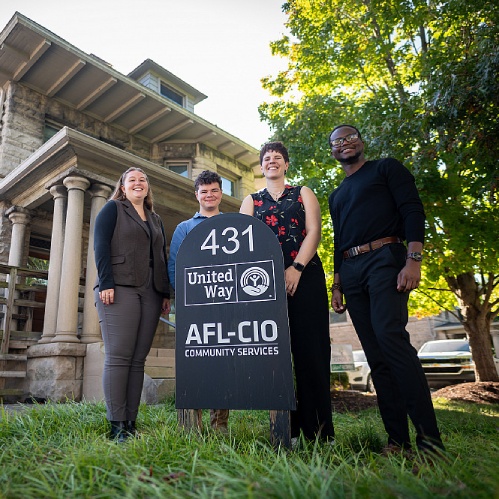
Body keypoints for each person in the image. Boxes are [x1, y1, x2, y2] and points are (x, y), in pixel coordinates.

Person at [327, 124, 444, 454]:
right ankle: (398, 440)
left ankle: (430, 443)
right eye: (338, 142)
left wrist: (414, 259)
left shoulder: (386, 168)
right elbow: (340, 240)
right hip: (351, 271)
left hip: (386, 258)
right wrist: (336, 285)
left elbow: (412, 209)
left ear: (362, 142)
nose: (345, 143)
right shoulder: (336, 195)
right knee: (376, 357)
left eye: (350, 137)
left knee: (391, 339)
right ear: (333, 151)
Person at [240, 142, 335, 445]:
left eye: (277, 158)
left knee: (312, 353)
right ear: (261, 165)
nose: (272, 162)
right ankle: (287, 432)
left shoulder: (302, 192)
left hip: (305, 275)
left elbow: (315, 231)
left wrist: (296, 267)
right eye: (267, 159)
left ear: (286, 164)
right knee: (277, 357)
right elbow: (244, 244)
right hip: (265, 286)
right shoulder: (251, 201)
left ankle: (320, 432)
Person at [94, 167, 171, 442]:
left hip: (150, 291)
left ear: (147, 188)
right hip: (118, 288)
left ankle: (130, 422)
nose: (138, 184)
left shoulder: (156, 219)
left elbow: (160, 257)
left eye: (143, 180)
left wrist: (165, 293)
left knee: (138, 360)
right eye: (132, 180)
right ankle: (116, 425)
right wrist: (106, 283)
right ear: (123, 187)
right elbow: (100, 245)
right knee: (119, 357)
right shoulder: (113, 209)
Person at [168, 170, 230, 432]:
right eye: (204, 191)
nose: (209, 195)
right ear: (197, 195)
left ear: (221, 193)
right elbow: (174, 266)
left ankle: (220, 424)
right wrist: (185, 299)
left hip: (225, 305)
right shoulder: (184, 228)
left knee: (222, 362)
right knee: (194, 361)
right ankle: (192, 424)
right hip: (194, 306)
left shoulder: (233, 225)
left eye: (214, 190)